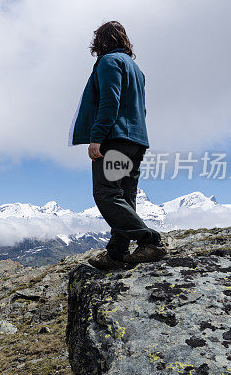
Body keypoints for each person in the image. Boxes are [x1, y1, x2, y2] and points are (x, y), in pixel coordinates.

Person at [69, 21, 167, 270]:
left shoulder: (108, 62)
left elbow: (109, 100)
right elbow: (140, 108)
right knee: (125, 195)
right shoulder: (136, 69)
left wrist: (96, 137)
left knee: (106, 193)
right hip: (136, 140)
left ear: (100, 41)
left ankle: (150, 241)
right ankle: (117, 252)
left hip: (115, 139)